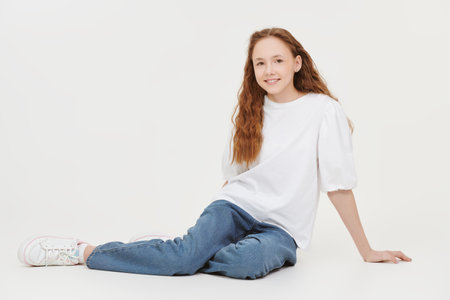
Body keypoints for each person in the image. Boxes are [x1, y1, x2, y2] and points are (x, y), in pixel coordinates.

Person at [17, 27, 412, 280]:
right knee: (184, 258)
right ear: (252, 69)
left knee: (245, 263)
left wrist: (367, 250)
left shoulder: (323, 110)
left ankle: (177, 249)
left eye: (277, 60)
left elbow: (338, 184)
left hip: (282, 229)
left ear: (296, 62)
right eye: (260, 62)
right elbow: (232, 175)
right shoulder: (251, 111)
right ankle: (83, 251)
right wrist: (209, 227)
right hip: (234, 207)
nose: (269, 69)